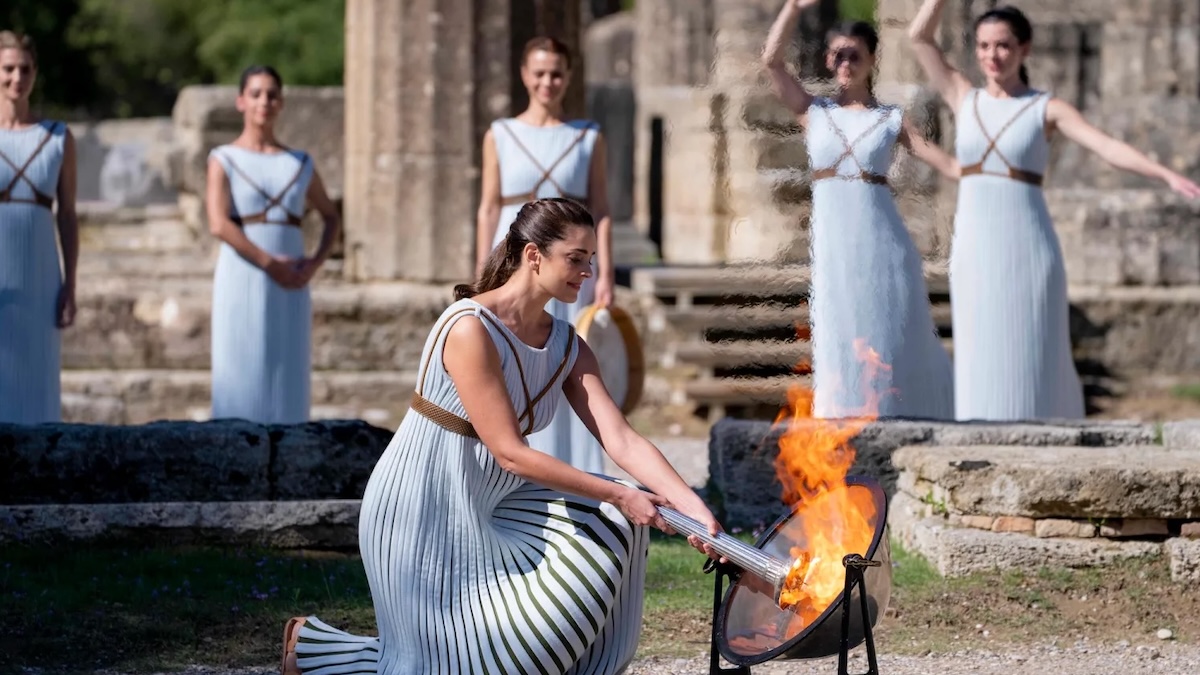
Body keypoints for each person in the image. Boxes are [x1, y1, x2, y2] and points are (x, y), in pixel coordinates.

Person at [279, 198, 721, 675]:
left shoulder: (569, 345)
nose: (587, 272)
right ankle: (315, 649)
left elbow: (622, 439)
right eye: (575, 259)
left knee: (615, 524)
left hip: (495, 507)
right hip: (421, 508)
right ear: (534, 256)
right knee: (463, 663)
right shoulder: (470, 328)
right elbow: (509, 453)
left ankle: (314, 649)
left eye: (590, 260)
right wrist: (621, 492)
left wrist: (694, 508)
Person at [908, 2, 1200, 421]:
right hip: (974, 249)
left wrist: (1164, 174)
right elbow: (919, 37)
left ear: (1024, 49)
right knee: (979, 347)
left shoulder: (1045, 108)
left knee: (1034, 347)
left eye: (1004, 46)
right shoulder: (962, 97)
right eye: (984, 46)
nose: (993, 56)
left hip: (1028, 246)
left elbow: (1106, 147)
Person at [761, 1, 957, 419]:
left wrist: (983, 174)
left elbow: (941, 160)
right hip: (834, 240)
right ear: (828, 60)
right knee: (837, 324)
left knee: (888, 329)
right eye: (837, 54)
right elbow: (771, 61)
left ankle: (895, 414)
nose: (845, 62)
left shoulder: (891, 118)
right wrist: (793, 8)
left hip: (882, 240)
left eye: (854, 54)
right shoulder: (813, 112)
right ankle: (843, 419)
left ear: (871, 60)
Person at [475, 36, 613, 473]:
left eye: (556, 73)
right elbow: (488, 207)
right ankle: (513, 465)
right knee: (510, 356)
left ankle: (575, 472)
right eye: (539, 72)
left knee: (566, 361)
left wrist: (604, 271)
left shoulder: (588, 136)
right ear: (524, 75)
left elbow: (602, 209)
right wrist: (483, 270)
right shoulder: (500, 134)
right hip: (516, 255)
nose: (547, 82)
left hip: (571, 262)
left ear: (568, 77)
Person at [204, 65, 341, 425]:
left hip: (293, 279)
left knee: (287, 369)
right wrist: (268, 263)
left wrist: (314, 263)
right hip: (243, 273)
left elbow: (330, 215)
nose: (264, 101)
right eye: (256, 93)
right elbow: (218, 223)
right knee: (240, 365)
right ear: (240, 101)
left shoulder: (299, 162)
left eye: (272, 94)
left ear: (281, 103)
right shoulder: (223, 158)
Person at [0, 31, 77, 424]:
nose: (17, 78)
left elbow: (66, 214)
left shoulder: (58, 137)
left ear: (35, 74)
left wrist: (70, 284)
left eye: (25, 69)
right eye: (8, 69)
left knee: (36, 378)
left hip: (40, 277)